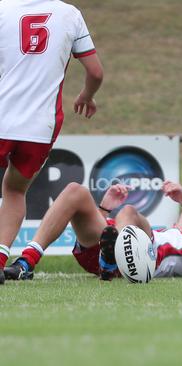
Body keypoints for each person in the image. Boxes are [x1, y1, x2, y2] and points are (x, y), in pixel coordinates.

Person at [0, 0, 104, 284]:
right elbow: (96, 72)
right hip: (40, 125)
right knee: (14, 191)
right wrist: (86, 95)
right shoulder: (69, 14)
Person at [3, 181, 182, 281]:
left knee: (130, 212)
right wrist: (104, 209)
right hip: (102, 257)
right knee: (75, 191)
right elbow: (103, 235)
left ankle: (114, 255)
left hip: (141, 260)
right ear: (176, 222)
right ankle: (26, 262)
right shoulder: (165, 231)